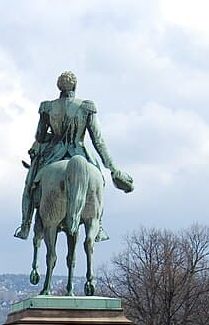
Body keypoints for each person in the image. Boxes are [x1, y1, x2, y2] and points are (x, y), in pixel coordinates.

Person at [16, 70, 133, 240]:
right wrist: (114, 169)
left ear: (59, 88)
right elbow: (98, 141)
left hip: (53, 156)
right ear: (75, 86)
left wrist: (50, 135)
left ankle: (25, 225)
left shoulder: (48, 107)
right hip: (81, 153)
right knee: (99, 181)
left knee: (29, 186)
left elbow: (40, 136)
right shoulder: (86, 107)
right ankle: (98, 226)